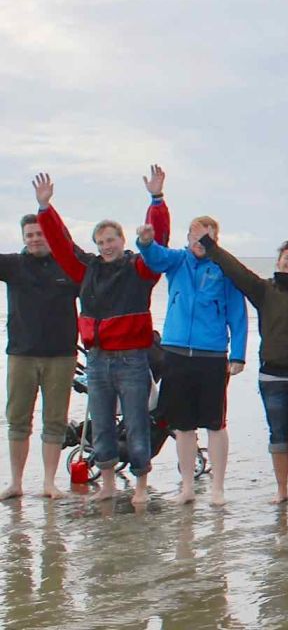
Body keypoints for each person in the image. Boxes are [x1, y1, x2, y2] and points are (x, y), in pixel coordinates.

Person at [31, 169, 168, 506]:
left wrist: (157, 201)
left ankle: (139, 487)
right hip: (97, 360)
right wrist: (45, 209)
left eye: (112, 240)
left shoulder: (140, 269)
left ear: (123, 242)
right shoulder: (86, 270)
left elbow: (156, 241)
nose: (107, 246)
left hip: (133, 360)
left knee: (137, 424)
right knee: (103, 425)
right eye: (102, 242)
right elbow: (62, 245)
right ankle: (107, 485)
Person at [199, 236, 288, 505]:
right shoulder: (263, 290)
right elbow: (236, 271)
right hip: (272, 375)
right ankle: (282, 489)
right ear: (279, 260)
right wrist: (211, 246)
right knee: (278, 435)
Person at [136, 204, 248, 507]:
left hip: (211, 355)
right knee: (182, 425)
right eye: (196, 237)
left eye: (207, 238)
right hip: (175, 353)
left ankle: (218, 489)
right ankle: (186, 487)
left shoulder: (224, 269)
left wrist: (238, 354)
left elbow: (238, 315)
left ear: (216, 241)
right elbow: (155, 257)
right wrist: (145, 242)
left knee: (215, 423)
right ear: (187, 238)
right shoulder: (178, 261)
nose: (201, 243)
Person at [1, 210, 80, 501]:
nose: (35, 239)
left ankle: (49, 483)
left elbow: (97, 289)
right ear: (24, 238)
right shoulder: (13, 265)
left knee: (55, 420)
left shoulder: (67, 264)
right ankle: (16, 483)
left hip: (61, 356)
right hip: (21, 355)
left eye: (40, 234)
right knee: (18, 418)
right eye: (30, 235)